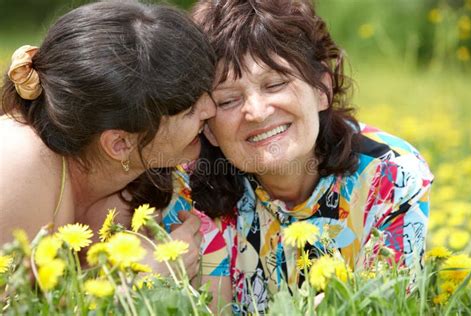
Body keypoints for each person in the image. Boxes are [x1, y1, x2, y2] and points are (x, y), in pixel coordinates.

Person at [159, 0, 434, 313]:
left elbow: (383, 307)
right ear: (207, 126)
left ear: (322, 89)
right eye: (228, 100)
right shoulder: (187, 183)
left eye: (275, 83)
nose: (257, 112)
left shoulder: (391, 177)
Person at [0, 0, 217, 278]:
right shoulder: (19, 166)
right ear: (120, 144)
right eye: (190, 110)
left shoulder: (135, 188)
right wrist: (142, 280)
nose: (211, 110)